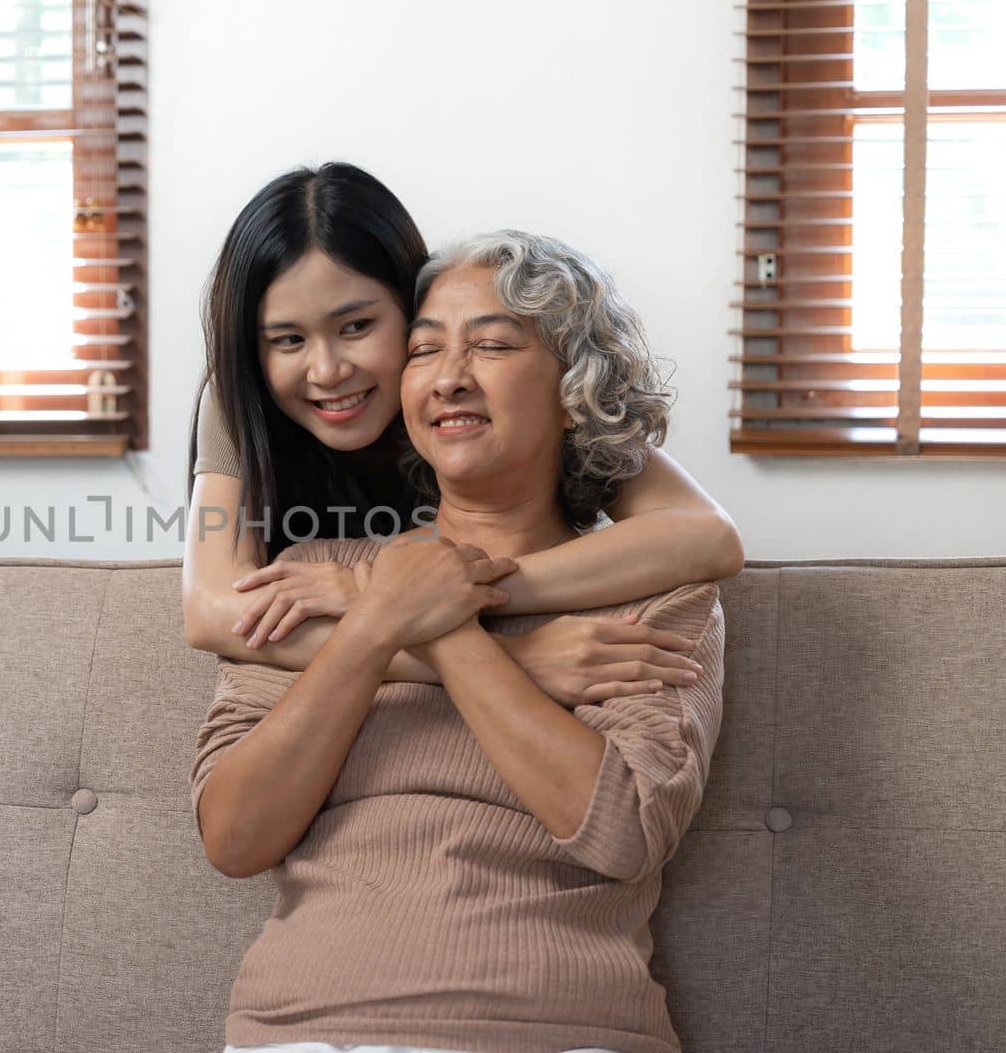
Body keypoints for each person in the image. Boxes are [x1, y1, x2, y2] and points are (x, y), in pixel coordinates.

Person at [191, 230, 727, 1053]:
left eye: (494, 344)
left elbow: (626, 832)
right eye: (424, 349)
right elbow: (234, 837)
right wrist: (376, 621)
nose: (449, 377)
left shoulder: (658, 592)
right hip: (307, 1030)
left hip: (563, 1030)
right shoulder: (312, 577)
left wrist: (440, 614)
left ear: (575, 387)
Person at [183, 164, 741, 710]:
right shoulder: (241, 400)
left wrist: (421, 594)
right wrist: (510, 659)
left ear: (415, 309)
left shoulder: (463, 397)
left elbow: (706, 535)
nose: (327, 371)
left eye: (357, 327)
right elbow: (212, 610)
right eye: (286, 339)